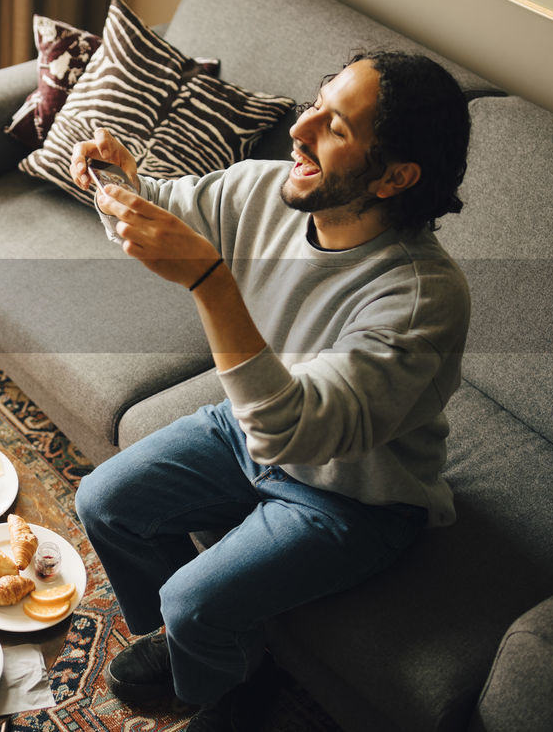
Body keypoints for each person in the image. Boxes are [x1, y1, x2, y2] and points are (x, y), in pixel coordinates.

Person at [70, 51, 472, 726]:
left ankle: (228, 684)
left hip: (353, 494)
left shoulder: (421, 298)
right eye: (316, 101)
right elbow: (154, 216)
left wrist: (211, 282)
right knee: (103, 502)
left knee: (194, 600)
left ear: (397, 176)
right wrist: (120, 179)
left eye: (335, 126)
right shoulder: (262, 189)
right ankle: (205, 648)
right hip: (249, 425)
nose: (299, 127)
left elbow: (293, 429)